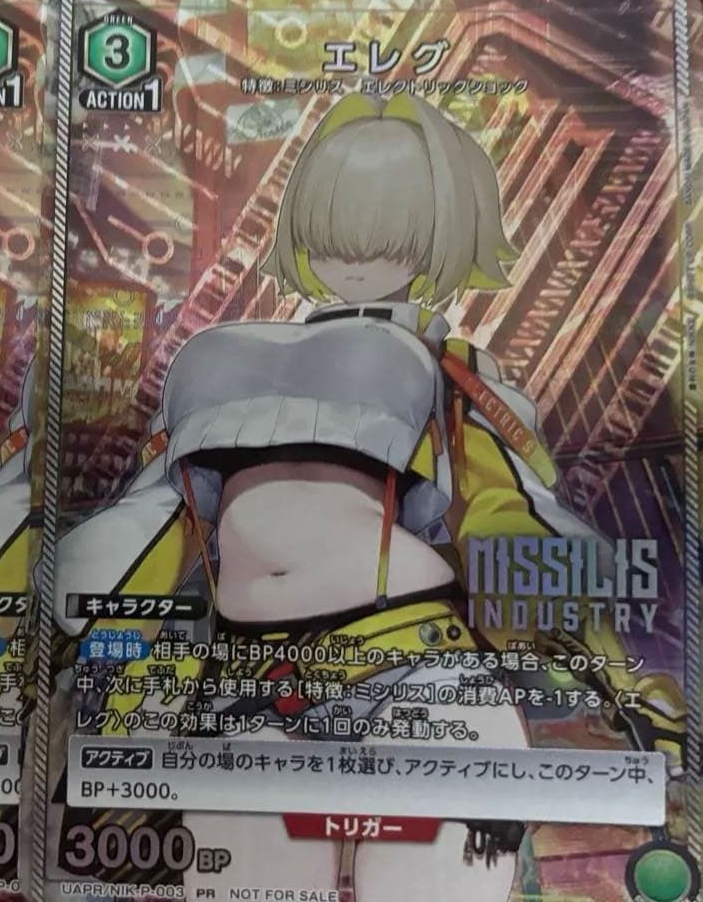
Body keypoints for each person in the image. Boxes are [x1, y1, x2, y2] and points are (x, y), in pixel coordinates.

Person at [51, 92, 685, 900]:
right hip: (251, 679)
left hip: (417, 668)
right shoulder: (224, 359)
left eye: (388, 239)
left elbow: (513, 518)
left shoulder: (453, 372)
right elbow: (159, 523)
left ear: (437, 240)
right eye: (332, 234)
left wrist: (621, 684)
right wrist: (92, 647)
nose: (353, 261)